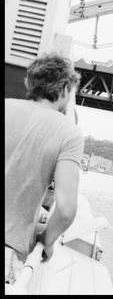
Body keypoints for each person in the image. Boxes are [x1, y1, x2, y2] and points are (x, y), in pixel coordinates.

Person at [5, 54, 84, 285]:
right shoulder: (68, 133)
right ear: (67, 89)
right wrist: (47, 240)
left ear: (29, 82)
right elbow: (67, 210)